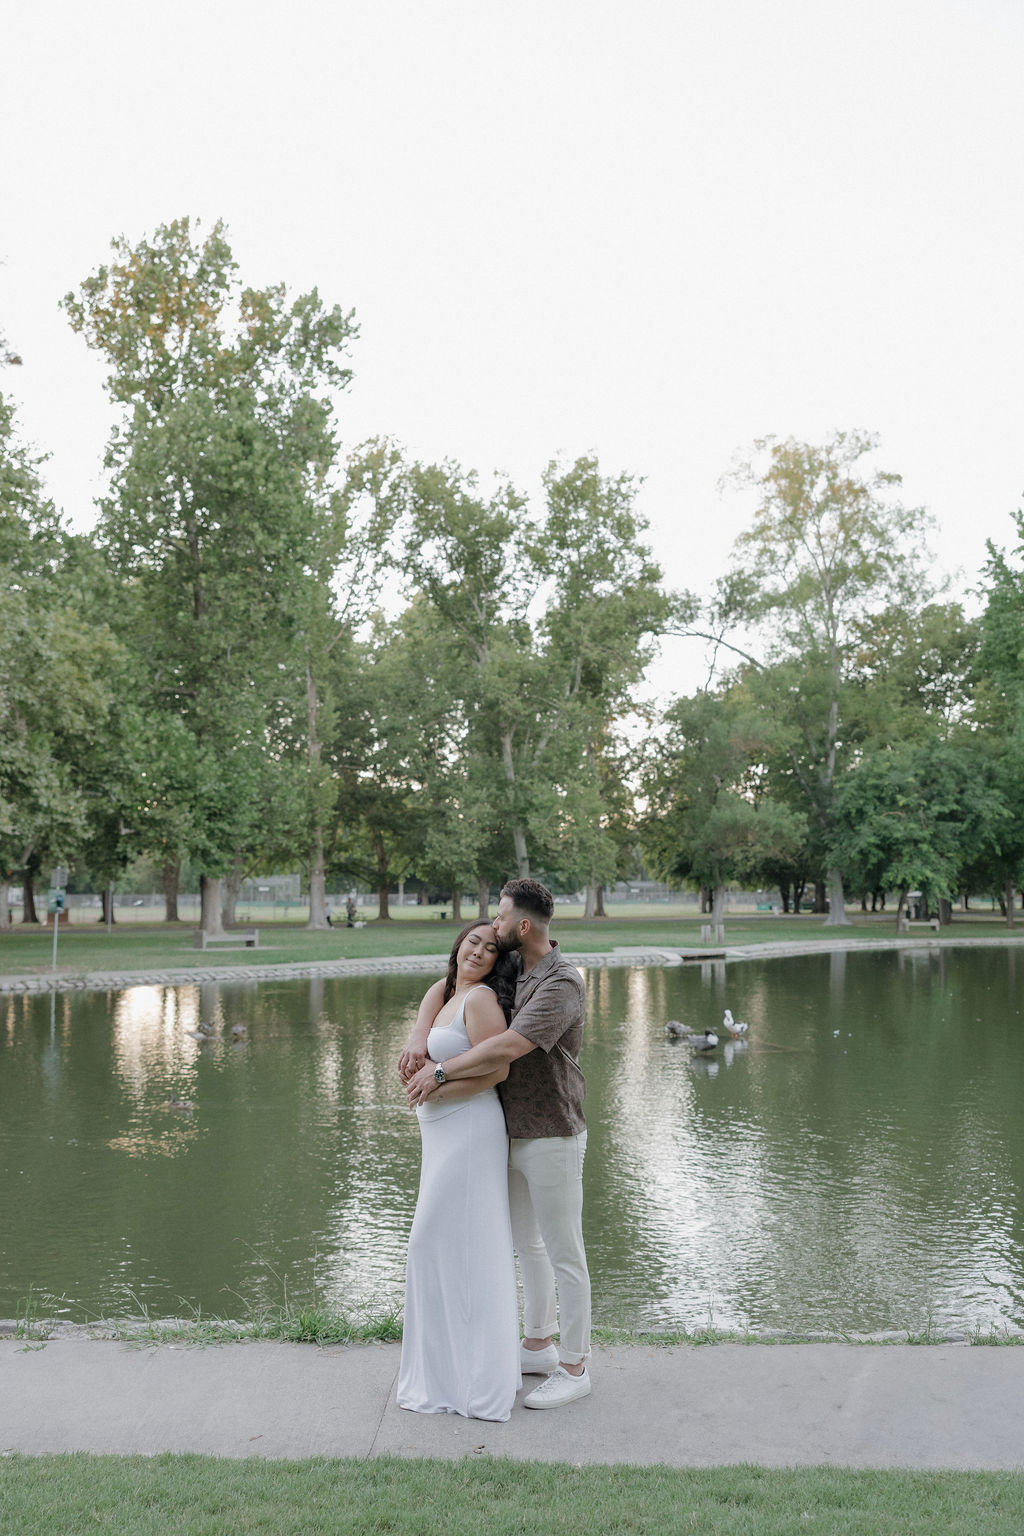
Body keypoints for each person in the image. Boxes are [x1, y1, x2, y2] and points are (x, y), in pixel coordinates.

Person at [406, 877, 591, 1410]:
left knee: (564, 1251)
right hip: (506, 1129)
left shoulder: (561, 982)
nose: (493, 924)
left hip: (552, 1129)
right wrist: (419, 1035)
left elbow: (508, 1046)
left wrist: (439, 1073)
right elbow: (451, 986)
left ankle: (575, 1368)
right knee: (526, 1245)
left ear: (522, 925)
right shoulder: (513, 966)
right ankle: (538, 1344)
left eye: (501, 917)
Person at [396, 921, 522, 1421]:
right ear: (458, 946)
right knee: (440, 1249)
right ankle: (442, 1377)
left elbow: (497, 1070)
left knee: (449, 1246)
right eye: (473, 941)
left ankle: (477, 1384)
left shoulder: (482, 1001)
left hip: (470, 1130)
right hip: (440, 1136)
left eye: (491, 949)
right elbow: (421, 1041)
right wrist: (413, 1061)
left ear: (496, 961)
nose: (479, 951)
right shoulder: (445, 992)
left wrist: (435, 1088)